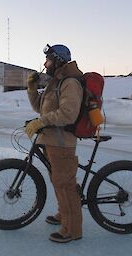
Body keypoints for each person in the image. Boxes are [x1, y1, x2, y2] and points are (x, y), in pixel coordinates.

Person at [25, 44, 83, 243]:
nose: (45, 63)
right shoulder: (55, 82)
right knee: (58, 181)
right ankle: (63, 214)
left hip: (62, 142)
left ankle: (72, 230)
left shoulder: (70, 83)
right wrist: (32, 89)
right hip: (51, 141)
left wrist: (42, 122)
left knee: (66, 185)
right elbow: (39, 107)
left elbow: (68, 113)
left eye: (48, 60)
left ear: (58, 60)